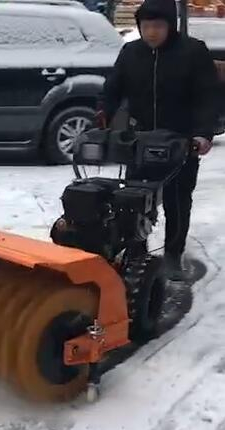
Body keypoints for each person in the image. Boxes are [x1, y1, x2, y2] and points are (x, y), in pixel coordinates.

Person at [99, 0, 219, 280]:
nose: (151, 32)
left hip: (180, 141)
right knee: (133, 199)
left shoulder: (193, 52)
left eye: (158, 26)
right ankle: (136, 250)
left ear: (170, 26)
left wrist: (202, 133)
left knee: (178, 200)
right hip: (139, 140)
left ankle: (173, 254)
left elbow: (207, 96)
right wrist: (104, 112)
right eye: (146, 26)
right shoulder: (131, 52)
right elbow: (113, 88)